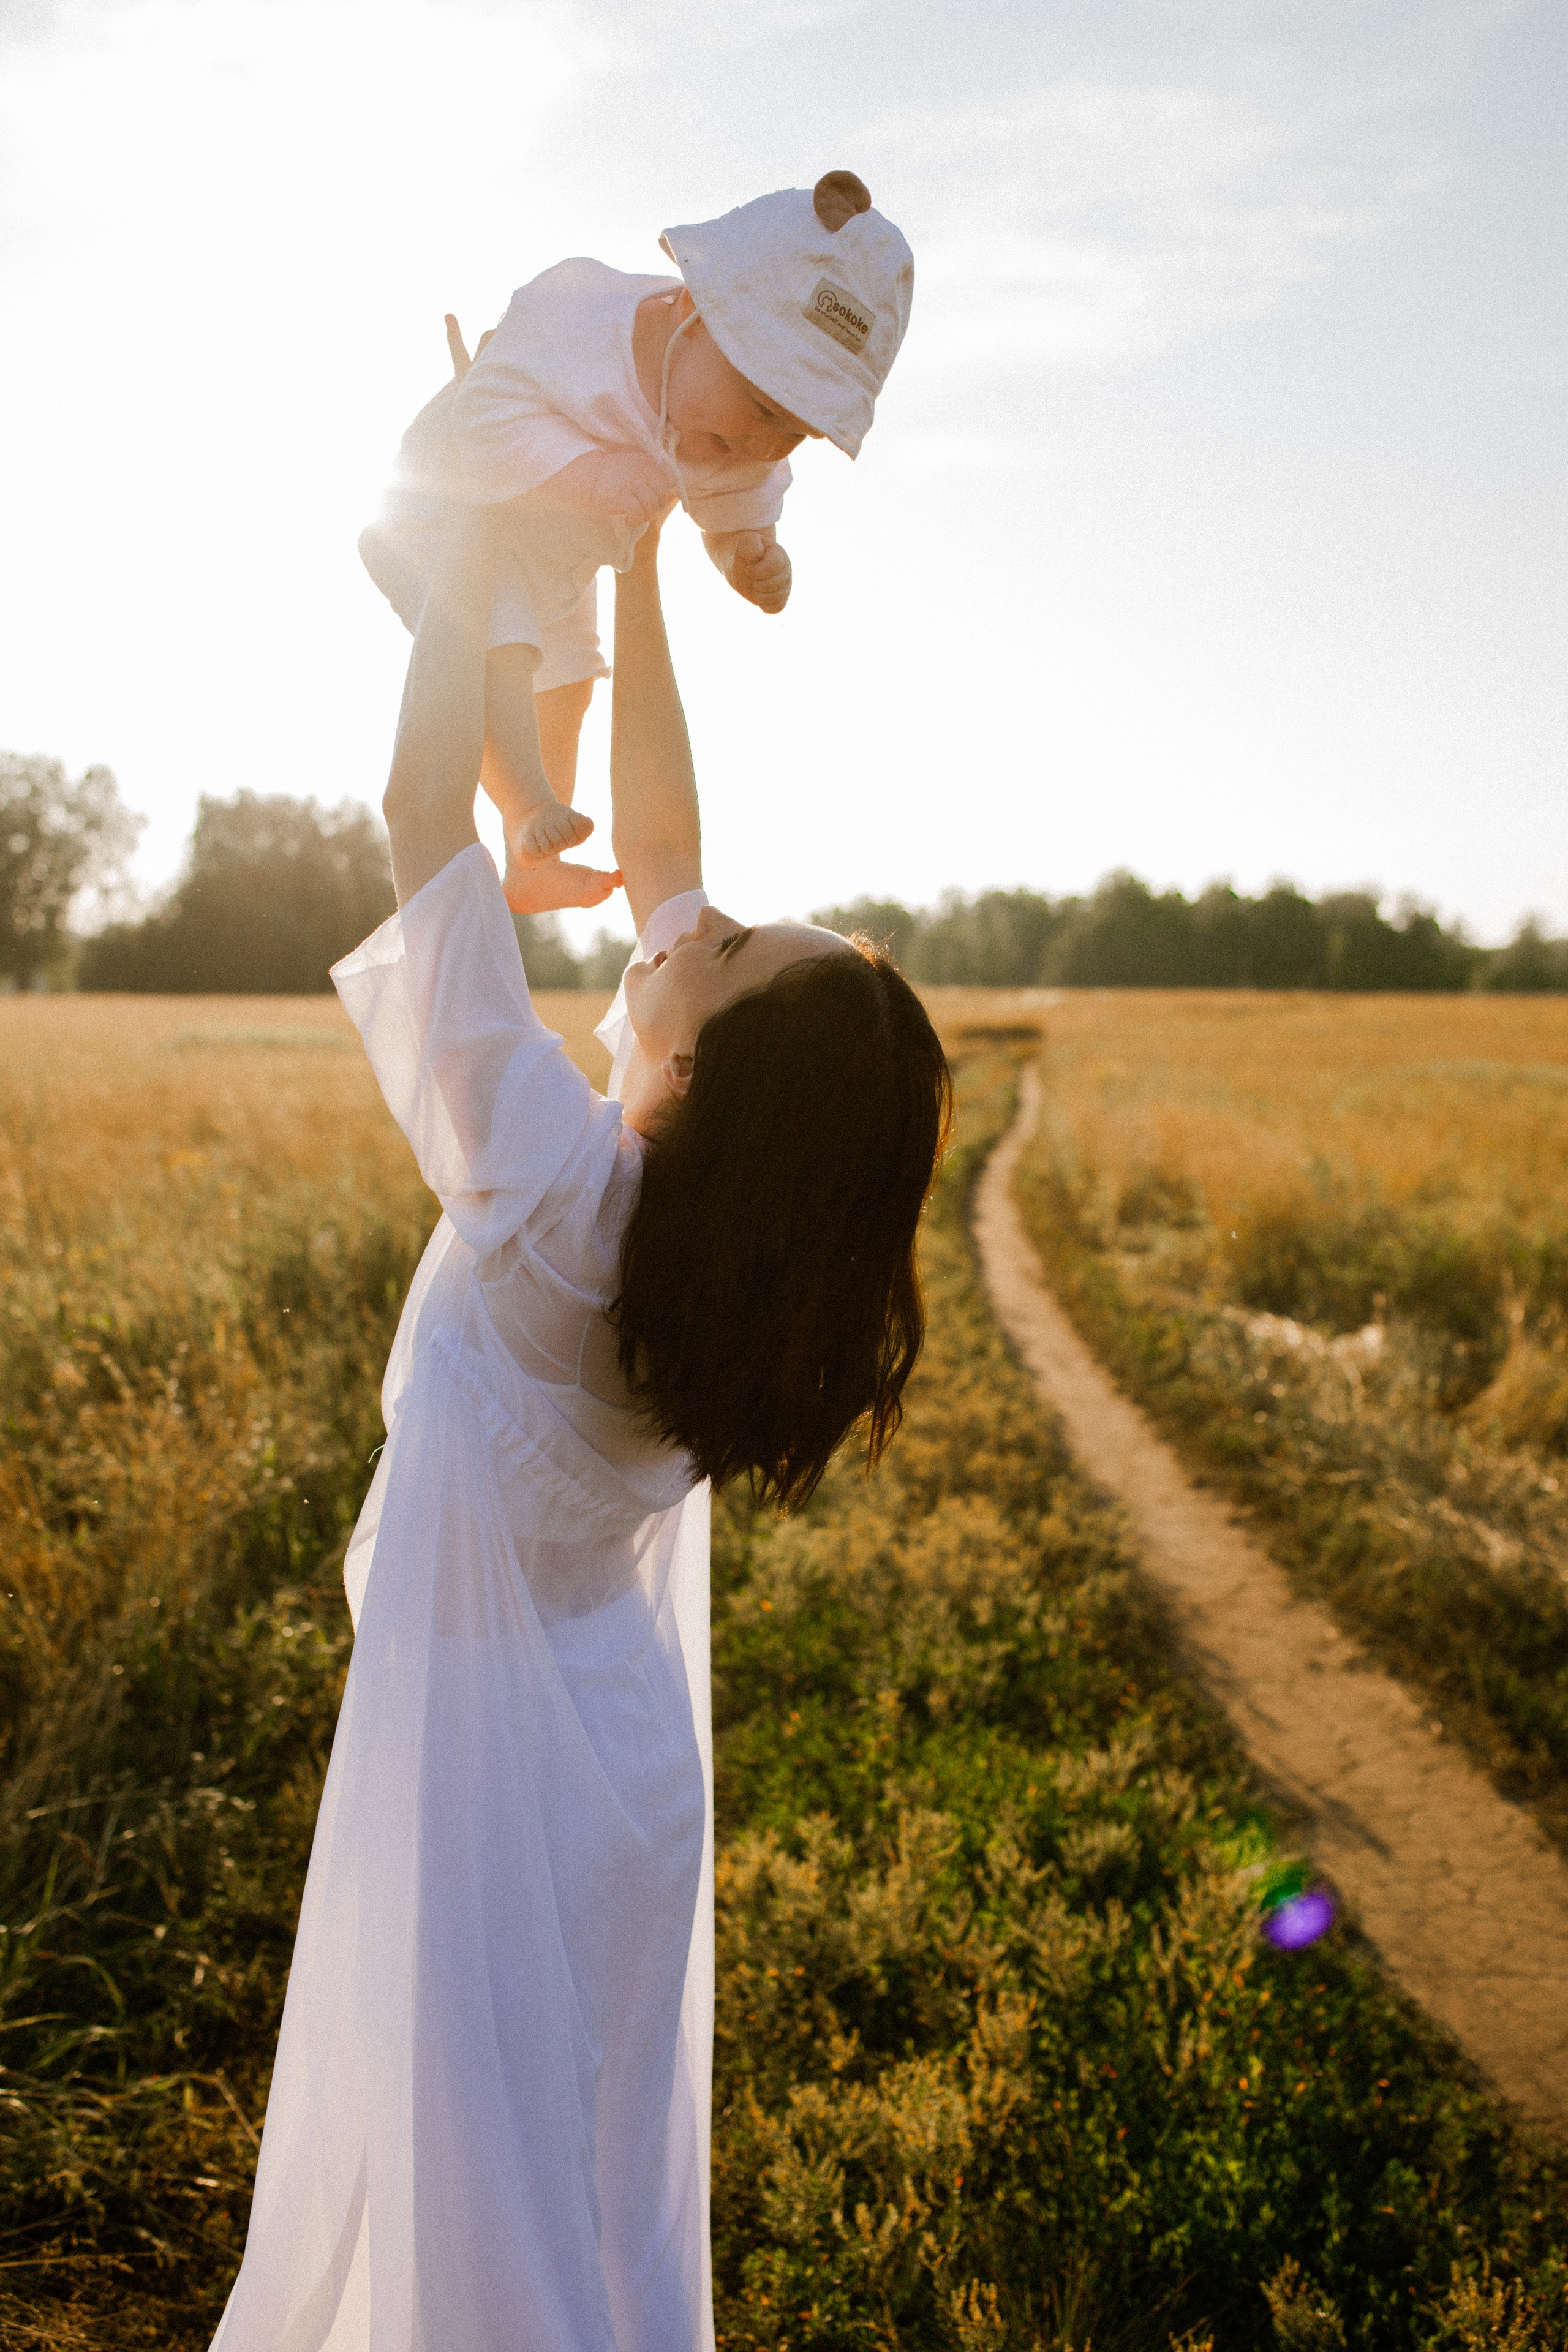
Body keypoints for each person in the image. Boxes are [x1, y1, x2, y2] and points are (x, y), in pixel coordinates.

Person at [210, 481, 949, 2350]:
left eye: (722, 940)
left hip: (494, 1771)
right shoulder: (713, 1256)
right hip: (613, 1746)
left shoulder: (551, 1192)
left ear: (690, 1069)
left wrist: (474, 542)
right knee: (582, 2183)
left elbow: (415, 815)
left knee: (482, 2209)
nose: (687, 913)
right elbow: (666, 840)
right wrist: (629, 552)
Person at [359, 170, 913, 913]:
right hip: (443, 519)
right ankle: (525, 804)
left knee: (571, 678)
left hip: (558, 557)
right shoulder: (581, 327)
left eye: (798, 432)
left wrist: (747, 559)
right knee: (505, 636)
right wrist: (593, 478)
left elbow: (733, 516)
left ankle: (529, 856)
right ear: (692, 313)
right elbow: (481, 418)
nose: (764, 443)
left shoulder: (737, 441)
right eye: (759, 406)